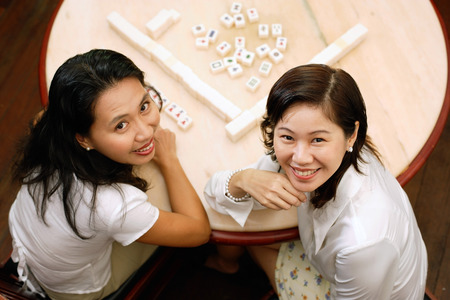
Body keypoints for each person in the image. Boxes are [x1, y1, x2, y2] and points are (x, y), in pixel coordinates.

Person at [204, 64, 427, 299]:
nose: (300, 158)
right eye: (287, 136)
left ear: (351, 134)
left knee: (250, 236)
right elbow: (213, 194)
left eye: (318, 139)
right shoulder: (324, 150)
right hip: (340, 267)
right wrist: (243, 179)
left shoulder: (364, 241)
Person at [8, 49, 211, 299]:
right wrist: (169, 160)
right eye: (120, 125)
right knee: (162, 183)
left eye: (144, 106)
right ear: (83, 139)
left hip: (31, 244)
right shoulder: (114, 205)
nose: (145, 133)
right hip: (75, 289)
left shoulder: (48, 126)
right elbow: (199, 231)